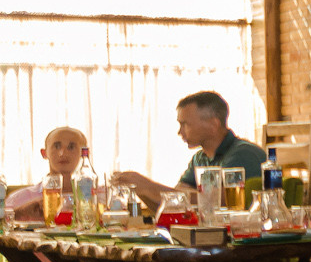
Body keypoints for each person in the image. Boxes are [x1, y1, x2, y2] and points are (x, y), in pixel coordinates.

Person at [114, 91, 265, 208]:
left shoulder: (244, 154)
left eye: (185, 124)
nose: (180, 132)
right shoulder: (199, 158)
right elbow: (178, 204)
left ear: (213, 124)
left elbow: (221, 203)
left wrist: (149, 187)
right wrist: (140, 190)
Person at [6, 126, 84, 216]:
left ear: (84, 153)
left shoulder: (97, 196)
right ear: (44, 153)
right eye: (57, 146)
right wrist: (19, 214)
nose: (63, 153)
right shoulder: (19, 199)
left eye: (71, 147)